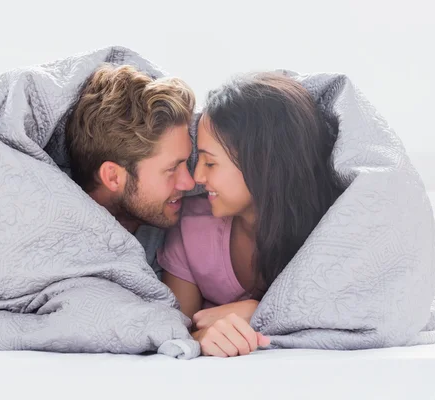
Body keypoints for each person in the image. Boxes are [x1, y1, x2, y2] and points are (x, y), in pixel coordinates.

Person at [157, 72, 342, 357]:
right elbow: (177, 328)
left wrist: (259, 313)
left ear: (262, 165)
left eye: (210, 162)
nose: (197, 176)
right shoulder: (191, 227)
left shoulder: (329, 229)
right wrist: (204, 335)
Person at [65, 64, 196, 270]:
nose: (189, 183)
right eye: (172, 169)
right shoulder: (68, 252)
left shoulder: (174, 229)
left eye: (186, 162)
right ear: (113, 177)